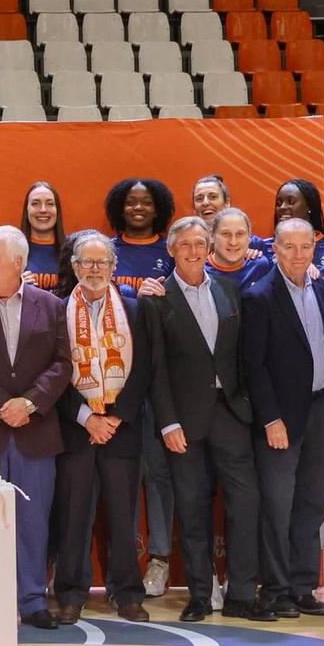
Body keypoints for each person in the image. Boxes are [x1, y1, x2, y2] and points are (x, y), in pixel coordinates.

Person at [0, 226, 72, 627]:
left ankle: (33, 600)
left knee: (33, 520)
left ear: (18, 263)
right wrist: (5, 404)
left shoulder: (51, 305)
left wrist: (31, 403)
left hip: (36, 431)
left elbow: (62, 363)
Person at [146, 216, 260, 623]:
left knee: (245, 504)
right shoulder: (156, 299)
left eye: (199, 243)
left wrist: (246, 403)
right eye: (186, 245)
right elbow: (155, 369)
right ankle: (199, 594)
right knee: (192, 509)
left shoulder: (229, 289)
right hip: (183, 422)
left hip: (230, 412)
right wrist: (168, 423)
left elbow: (242, 356)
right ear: (172, 250)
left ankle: (243, 594)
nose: (194, 251)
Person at [53, 233, 155, 623]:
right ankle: (70, 592)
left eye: (103, 263)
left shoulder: (136, 309)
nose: (95, 270)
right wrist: (86, 418)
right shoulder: (55, 310)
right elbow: (56, 373)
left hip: (121, 426)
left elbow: (145, 366)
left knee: (122, 513)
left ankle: (127, 591)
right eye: (87, 263)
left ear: (114, 267)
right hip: (76, 426)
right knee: (73, 513)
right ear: (75, 268)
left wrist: (116, 416)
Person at [242, 217, 324, 619]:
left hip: (317, 409)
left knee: (312, 503)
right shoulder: (259, 296)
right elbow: (253, 365)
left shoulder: (321, 289)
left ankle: (301, 586)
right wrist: (270, 419)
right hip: (280, 418)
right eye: (289, 247)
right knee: (278, 506)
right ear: (275, 249)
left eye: (305, 247)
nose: (298, 255)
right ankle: (276, 589)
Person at [105, 177, 178, 597]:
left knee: (160, 475)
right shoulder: (105, 252)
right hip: (115, 386)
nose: (137, 208)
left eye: (145, 202)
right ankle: (127, 561)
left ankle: (160, 557)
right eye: (130, 202)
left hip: (160, 382)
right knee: (125, 478)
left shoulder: (169, 253)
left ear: (158, 208)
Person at [274, 178, 324, 272]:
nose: (282, 207)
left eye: (291, 202)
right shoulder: (264, 246)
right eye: (279, 203)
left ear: (309, 206)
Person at [205, 206, 273, 293]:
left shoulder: (261, 267)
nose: (233, 242)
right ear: (212, 236)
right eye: (225, 234)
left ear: (249, 237)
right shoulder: (201, 271)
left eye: (240, 234)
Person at [18, 181, 68, 291]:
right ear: (27, 210)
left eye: (50, 204)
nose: (43, 210)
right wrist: (15, 286)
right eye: (35, 203)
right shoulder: (12, 248)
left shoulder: (72, 250)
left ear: (57, 210)